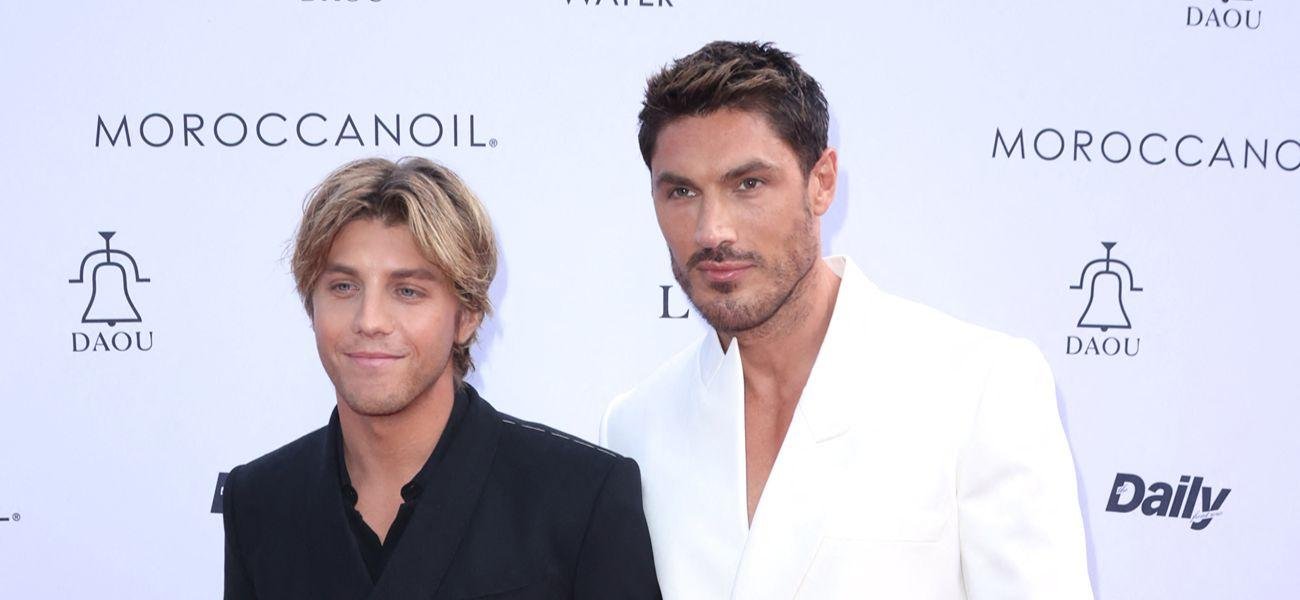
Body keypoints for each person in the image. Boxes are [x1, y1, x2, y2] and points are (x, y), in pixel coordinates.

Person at [601, 41, 1093, 599]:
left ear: (822, 182)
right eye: (682, 191)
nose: (712, 231)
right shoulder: (635, 426)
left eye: (749, 184)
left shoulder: (979, 386)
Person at [223, 157, 660, 599]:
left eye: (407, 291)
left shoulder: (580, 497)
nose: (369, 320)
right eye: (343, 287)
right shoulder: (260, 500)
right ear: (311, 303)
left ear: (467, 315)